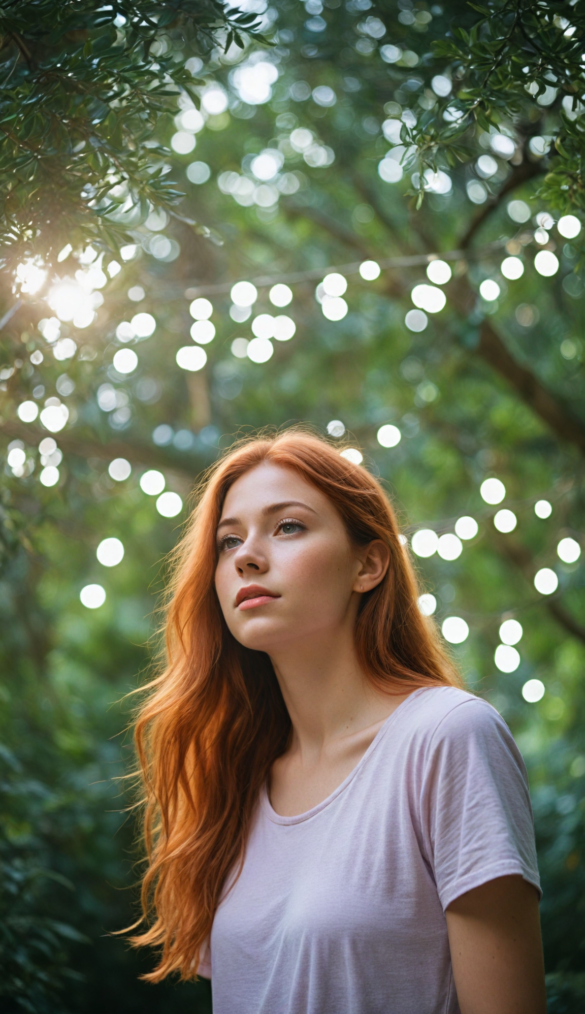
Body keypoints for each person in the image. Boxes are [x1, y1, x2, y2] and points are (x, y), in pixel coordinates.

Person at [129, 429, 546, 1014]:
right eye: (228, 541)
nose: (247, 555)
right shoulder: (236, 780)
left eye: (288, 526)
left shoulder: (447, 738)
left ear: (368, 564)